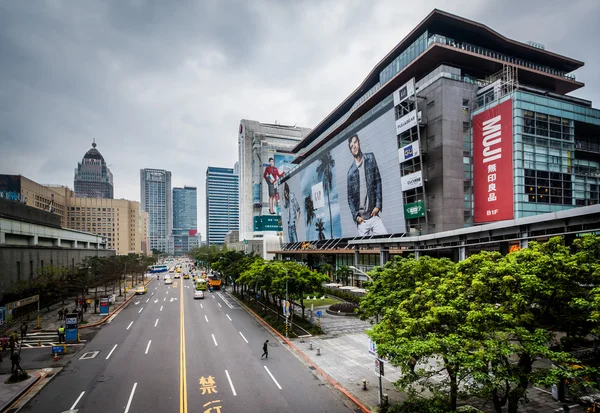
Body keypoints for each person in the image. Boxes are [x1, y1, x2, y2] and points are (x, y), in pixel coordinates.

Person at [346, 134, 388, 236]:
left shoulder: (370, 158)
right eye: (351, 146)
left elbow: (378, 181)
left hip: (373, 215)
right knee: (363, 250)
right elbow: (350, 198)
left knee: (387, 243)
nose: (354, 147)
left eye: (355, 143)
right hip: (362, 220)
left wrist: (378, 205)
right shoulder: (350, 172)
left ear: (359, 142)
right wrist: (356, 217)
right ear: (351, 151)